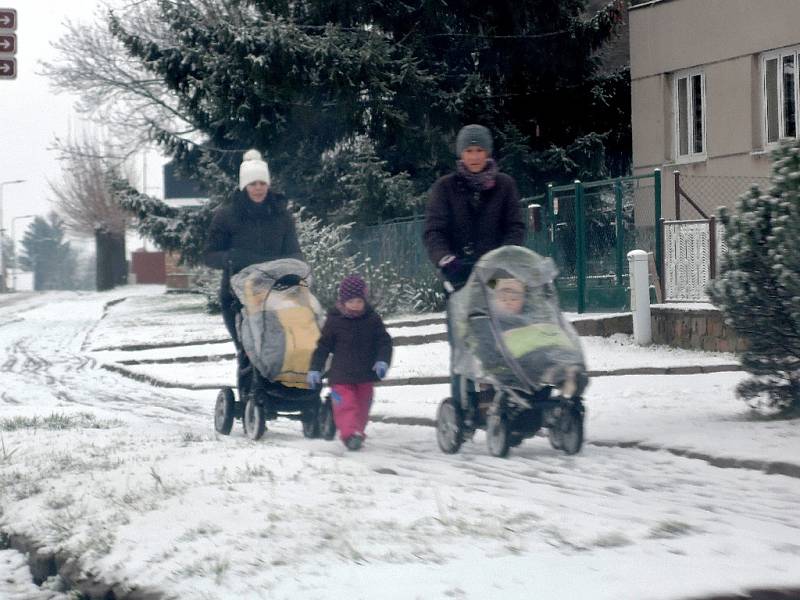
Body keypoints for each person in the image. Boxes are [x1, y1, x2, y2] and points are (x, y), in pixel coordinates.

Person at [423, 124, 526, 404]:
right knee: (464, 338)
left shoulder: (504, 186)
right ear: (461, 154)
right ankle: (463, 402)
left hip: (496, 275)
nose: (475, 156)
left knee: (503, 334)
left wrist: (506, 255)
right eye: (469, 150)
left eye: (480, 150)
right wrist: (447, 260)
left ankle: (504, 391)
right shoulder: (445, 188)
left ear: (488, 152)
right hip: (461, 276)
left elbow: (515, 226)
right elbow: (434, 231)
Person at [203, 149, 303, 356]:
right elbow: (209, 255)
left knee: (283, 349)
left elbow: (295, 253)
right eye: (253, 184)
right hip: (237, 296)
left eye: (262, 183)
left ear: (268, 184)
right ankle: (247, 386)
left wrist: (294, 270)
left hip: (277, 291)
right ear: (244, 186)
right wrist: (230, 257)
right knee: (248, 352)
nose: (258, 188)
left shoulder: (281, 216)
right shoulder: (226, 216)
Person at [306, 275, 393, 451]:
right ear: (343, 301)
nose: (355, 305)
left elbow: (384, 342)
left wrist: (382, 361)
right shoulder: (334, 321)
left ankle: (357, 432)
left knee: (362, 407)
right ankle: (349, 434)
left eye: (359, 301)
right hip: (341, 377)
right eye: (351, 301)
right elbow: (323, 347)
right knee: (346, 405)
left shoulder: (372, 320)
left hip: (365, 375)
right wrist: (315, 368)